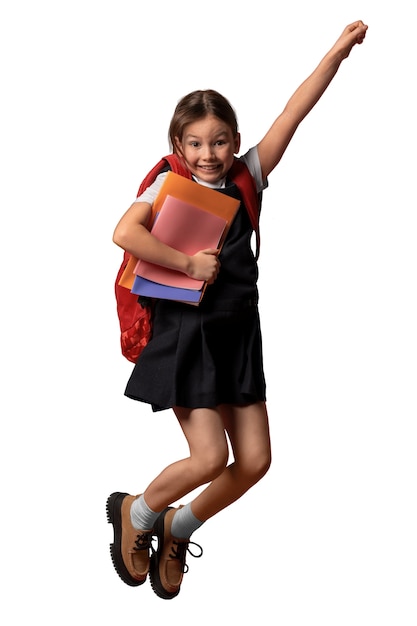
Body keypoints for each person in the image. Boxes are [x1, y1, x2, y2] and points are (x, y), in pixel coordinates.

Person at [107, 20, 368, 600]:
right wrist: (186, 261)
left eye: (220, 140)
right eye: (196, 143)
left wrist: (337, 53)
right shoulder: (167, 187)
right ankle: (138, 512)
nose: (209, 154)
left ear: (235, 139)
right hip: (186, 336)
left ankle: (178, 526)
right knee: (208, 457)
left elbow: (292, 116)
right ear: (179, 147)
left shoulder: (248, 177)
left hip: (237, 337)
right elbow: (124, 232)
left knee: (253, 461)